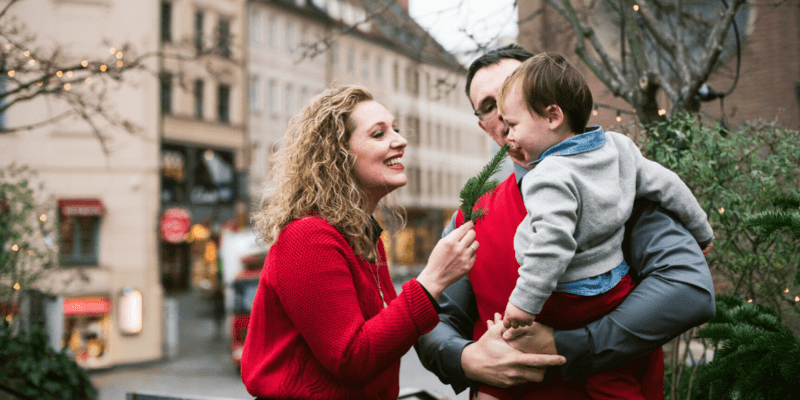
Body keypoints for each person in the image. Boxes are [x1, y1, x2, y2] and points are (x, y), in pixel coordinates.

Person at [414, 45, 716, 399]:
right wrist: (466, 359)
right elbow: (430, 318)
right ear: (483, 125)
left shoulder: (617, 186)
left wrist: (567, 346)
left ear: (549, 105)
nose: (501, 114)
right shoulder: (472, 216)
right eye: (488, 106)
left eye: (512, 94)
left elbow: (690, 290)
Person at [240, 85, 493, 399]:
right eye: (379, 134)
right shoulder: (308, 237)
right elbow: (351, 359)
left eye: (395, 130)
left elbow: (385, 336)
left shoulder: (361, 236)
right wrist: (431, 281)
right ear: (337, 155)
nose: (400, 141)